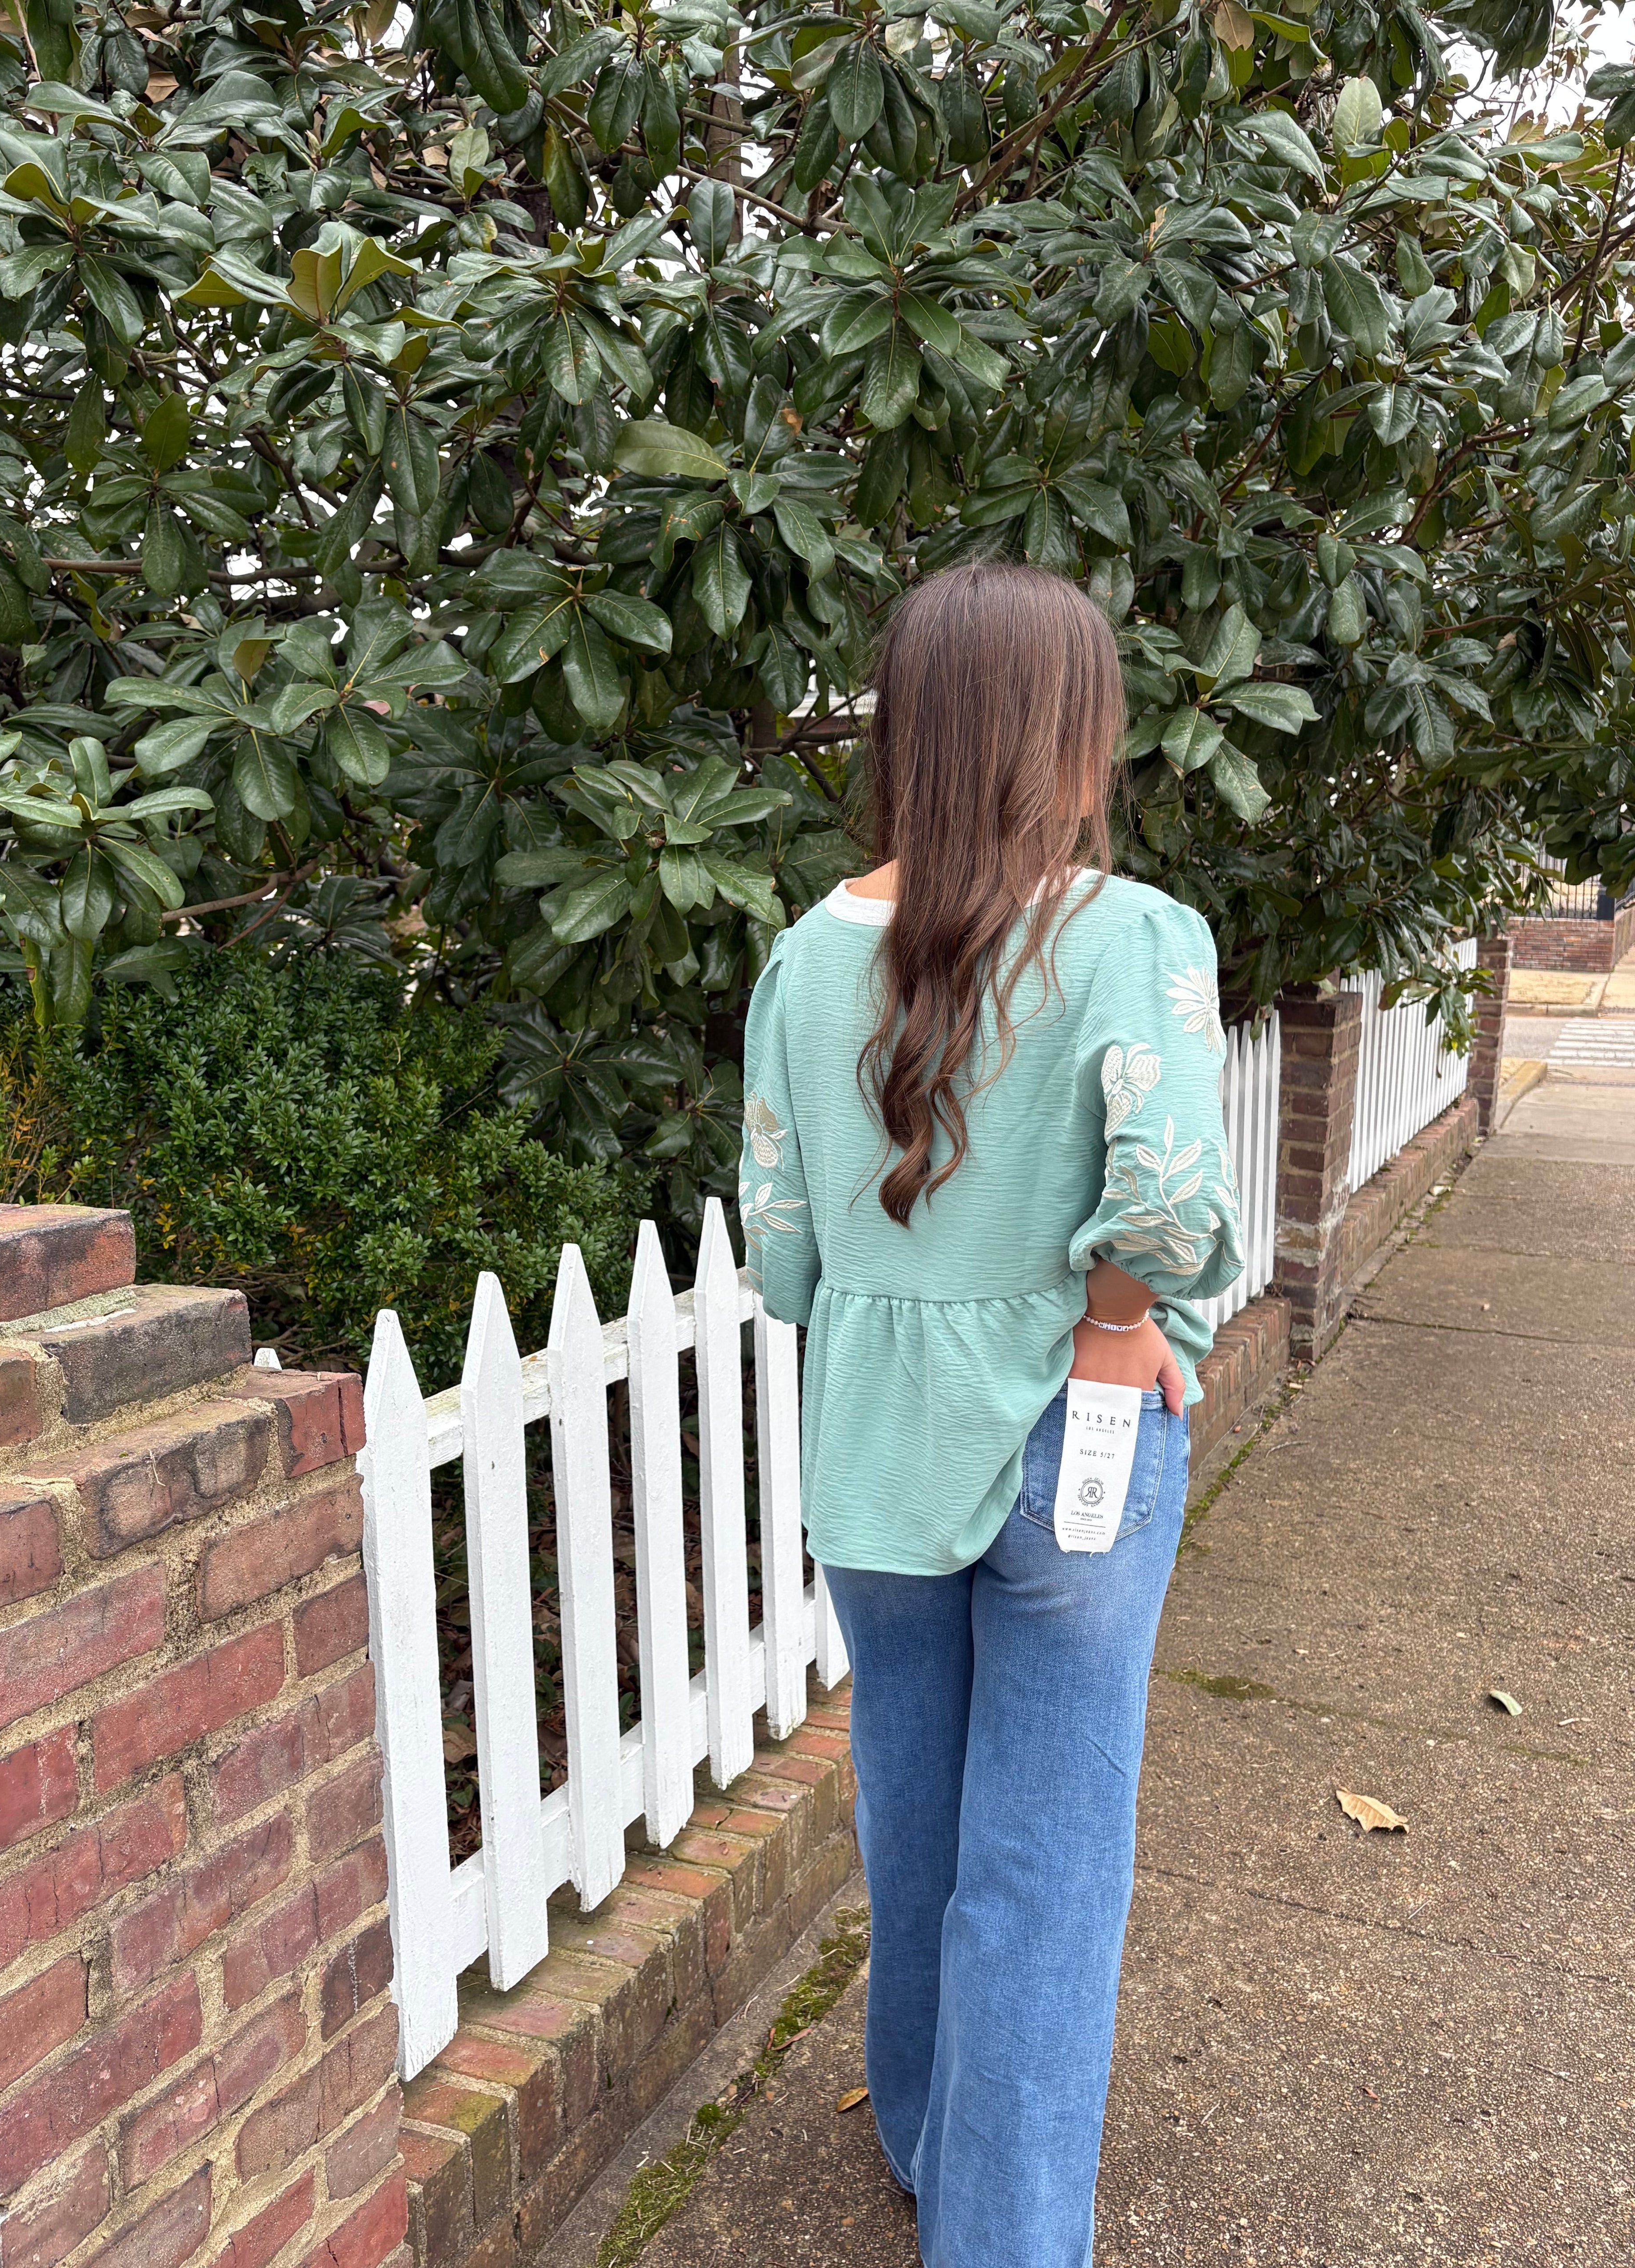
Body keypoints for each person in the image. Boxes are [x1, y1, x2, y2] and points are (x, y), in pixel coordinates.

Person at [738, 560, 1245, 2267]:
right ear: (1063, 735)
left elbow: (784, 1251)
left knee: (919, 1820)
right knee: (1049, 1870)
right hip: (1069, 1433)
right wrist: (1116, 1327)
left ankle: (923, 2135)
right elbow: (1170, 1204)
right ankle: (1003, 2234)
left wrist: (904, 1315)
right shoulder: (1129, 937)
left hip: (875, 1450)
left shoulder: (806, 960)